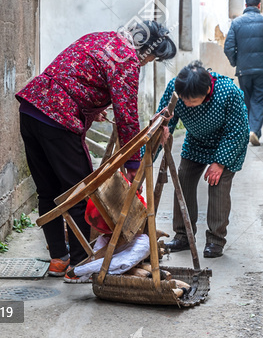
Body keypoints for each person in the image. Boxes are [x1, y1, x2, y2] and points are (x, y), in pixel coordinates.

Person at [16, 21, 177, 282]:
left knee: (47, 190)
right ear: (147, 51)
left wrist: (92, 108)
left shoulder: (100, 38)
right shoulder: (127, 60)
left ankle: (59, 259)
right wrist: (133, 160)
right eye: (153, 59)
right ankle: (79, 266)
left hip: (32, 110)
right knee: (80, 191)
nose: (148, 64)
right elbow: (126, 115)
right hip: (58, 118)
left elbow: (73, 77)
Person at [158, 61, 249, 258]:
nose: (187, 104)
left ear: (207, 90)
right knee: (183, 181)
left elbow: (238, 131)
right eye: (185, 100)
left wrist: (220, 162)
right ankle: (183, 236)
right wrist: (161, 133)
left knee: (218, 187)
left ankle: (216, 240)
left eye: (192, 101)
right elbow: (164, 120)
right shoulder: (175, 89)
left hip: (227, 142)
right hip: (196, 140)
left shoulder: (228, 92)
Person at [223, 0, 263, 146]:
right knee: (259, 100)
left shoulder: (236, 23)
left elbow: (228, 47)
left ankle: (250, 131)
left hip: (244, 70)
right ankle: (254, 131)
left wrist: (236, 62)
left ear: (245, 5)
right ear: (259, 5)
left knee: (247, 100)